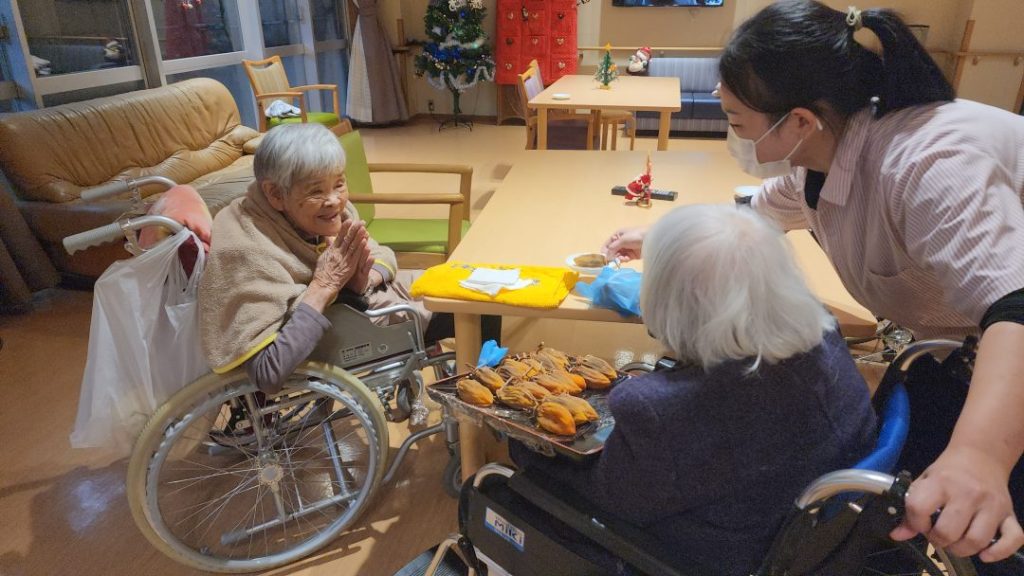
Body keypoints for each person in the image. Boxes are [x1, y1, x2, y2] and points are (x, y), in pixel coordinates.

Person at [603, 2, 1024, 571]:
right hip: (965, 348)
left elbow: (1014, 303)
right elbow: (753, 212)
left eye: (737, 121)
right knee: (902, 503)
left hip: (1009, 349)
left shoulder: (929, 163)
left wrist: (979, 457)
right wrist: (661, 239)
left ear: (799, 120)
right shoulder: (824, 157)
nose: (734, 131)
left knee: (989, 524)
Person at [515, 204, 877, 575]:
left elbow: (610, 499)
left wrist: (524, 444)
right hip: (813, 535)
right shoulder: (824, 334)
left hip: (711, 556)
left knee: (518, 482)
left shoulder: (660, 411)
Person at [199, 123, 473, 393]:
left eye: (339, 184)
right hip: (332, 328)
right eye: (316, 191)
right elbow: (268, 371)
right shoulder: (245, 246)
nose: (335, 201)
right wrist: (326, 285)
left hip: (352, 301)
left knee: (469, 289)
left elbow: (381, 253)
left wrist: (362, 280)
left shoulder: (320, 212)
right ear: (275, 194)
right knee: (472, 314)